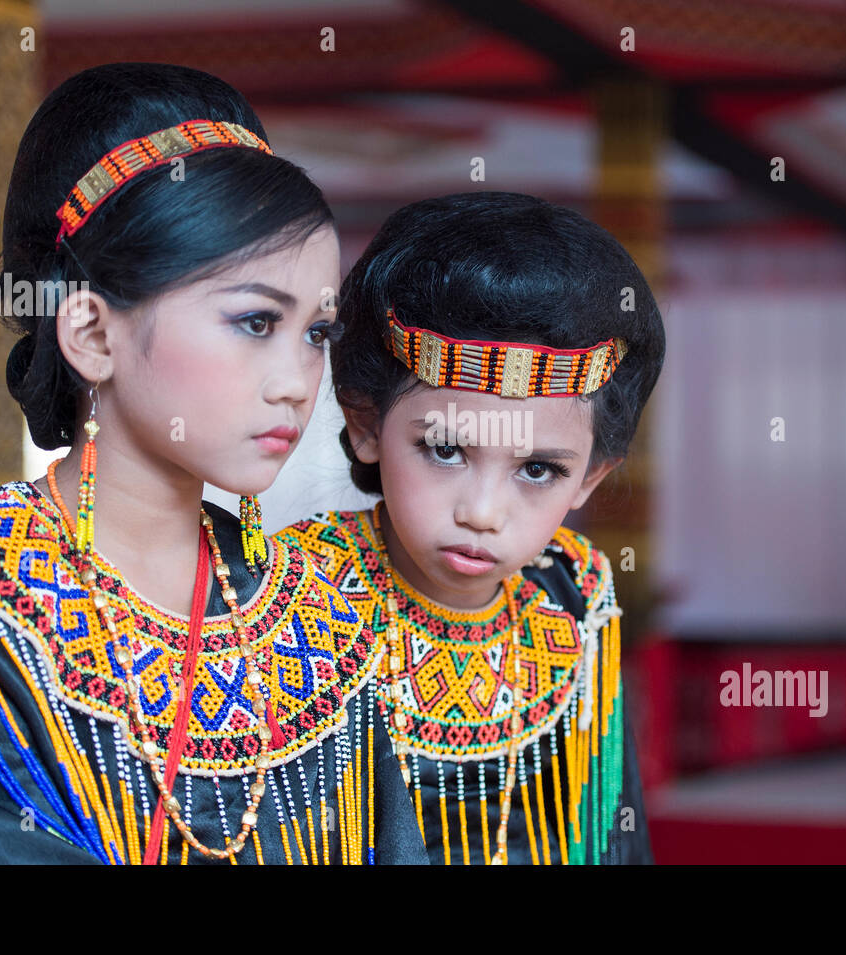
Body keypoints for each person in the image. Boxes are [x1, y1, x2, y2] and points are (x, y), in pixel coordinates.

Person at [0, 62, 426, 865]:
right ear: (91, 332)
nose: (297, 382)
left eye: (316, 333)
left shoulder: (322, 606)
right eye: (256, 320)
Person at [279, 191, 664, 864]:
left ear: (591, 478)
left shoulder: (573, 599)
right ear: (367, 423)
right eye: (447, 450)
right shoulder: (295, 598)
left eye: (539, 469)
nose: (482, 512)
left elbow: (612, 836)